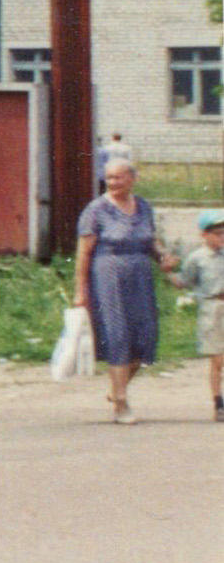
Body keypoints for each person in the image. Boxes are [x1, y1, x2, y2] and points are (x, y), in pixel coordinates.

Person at [71, 154, 176, 424]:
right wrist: (80, 292)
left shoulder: (143, 206)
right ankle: (121, 404)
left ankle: (117, 389)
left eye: (118, 177)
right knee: (117, 336)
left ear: (133, 178)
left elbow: (151, 240)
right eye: (109, 178)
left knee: (145, 338)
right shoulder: (95, 210)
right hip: (108, 280)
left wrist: (163, 256)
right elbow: (83, 255)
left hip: (141, 279)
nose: (112, 182)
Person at [180, 211, 224, 424]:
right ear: (204, 235)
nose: (221, 238)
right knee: (217, 359)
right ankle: (218, 402)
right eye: (217, 233)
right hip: (212, 308)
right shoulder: (197, 258)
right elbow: (185, 281)